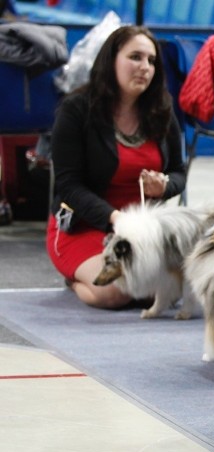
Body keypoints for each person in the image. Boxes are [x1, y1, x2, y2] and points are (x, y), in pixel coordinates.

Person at [46, 26, 186, 309]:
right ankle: (76, 279)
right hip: (84, 227)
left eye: (151, 60)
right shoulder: (75, 109)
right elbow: (68, 186)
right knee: (115, 291)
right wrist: (115, 219)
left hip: (142, 231)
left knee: (164, 289)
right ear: (111, 61)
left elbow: (179, 172)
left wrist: (165, 185)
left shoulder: (162, 109)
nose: (145, 67)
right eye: (135, 57)